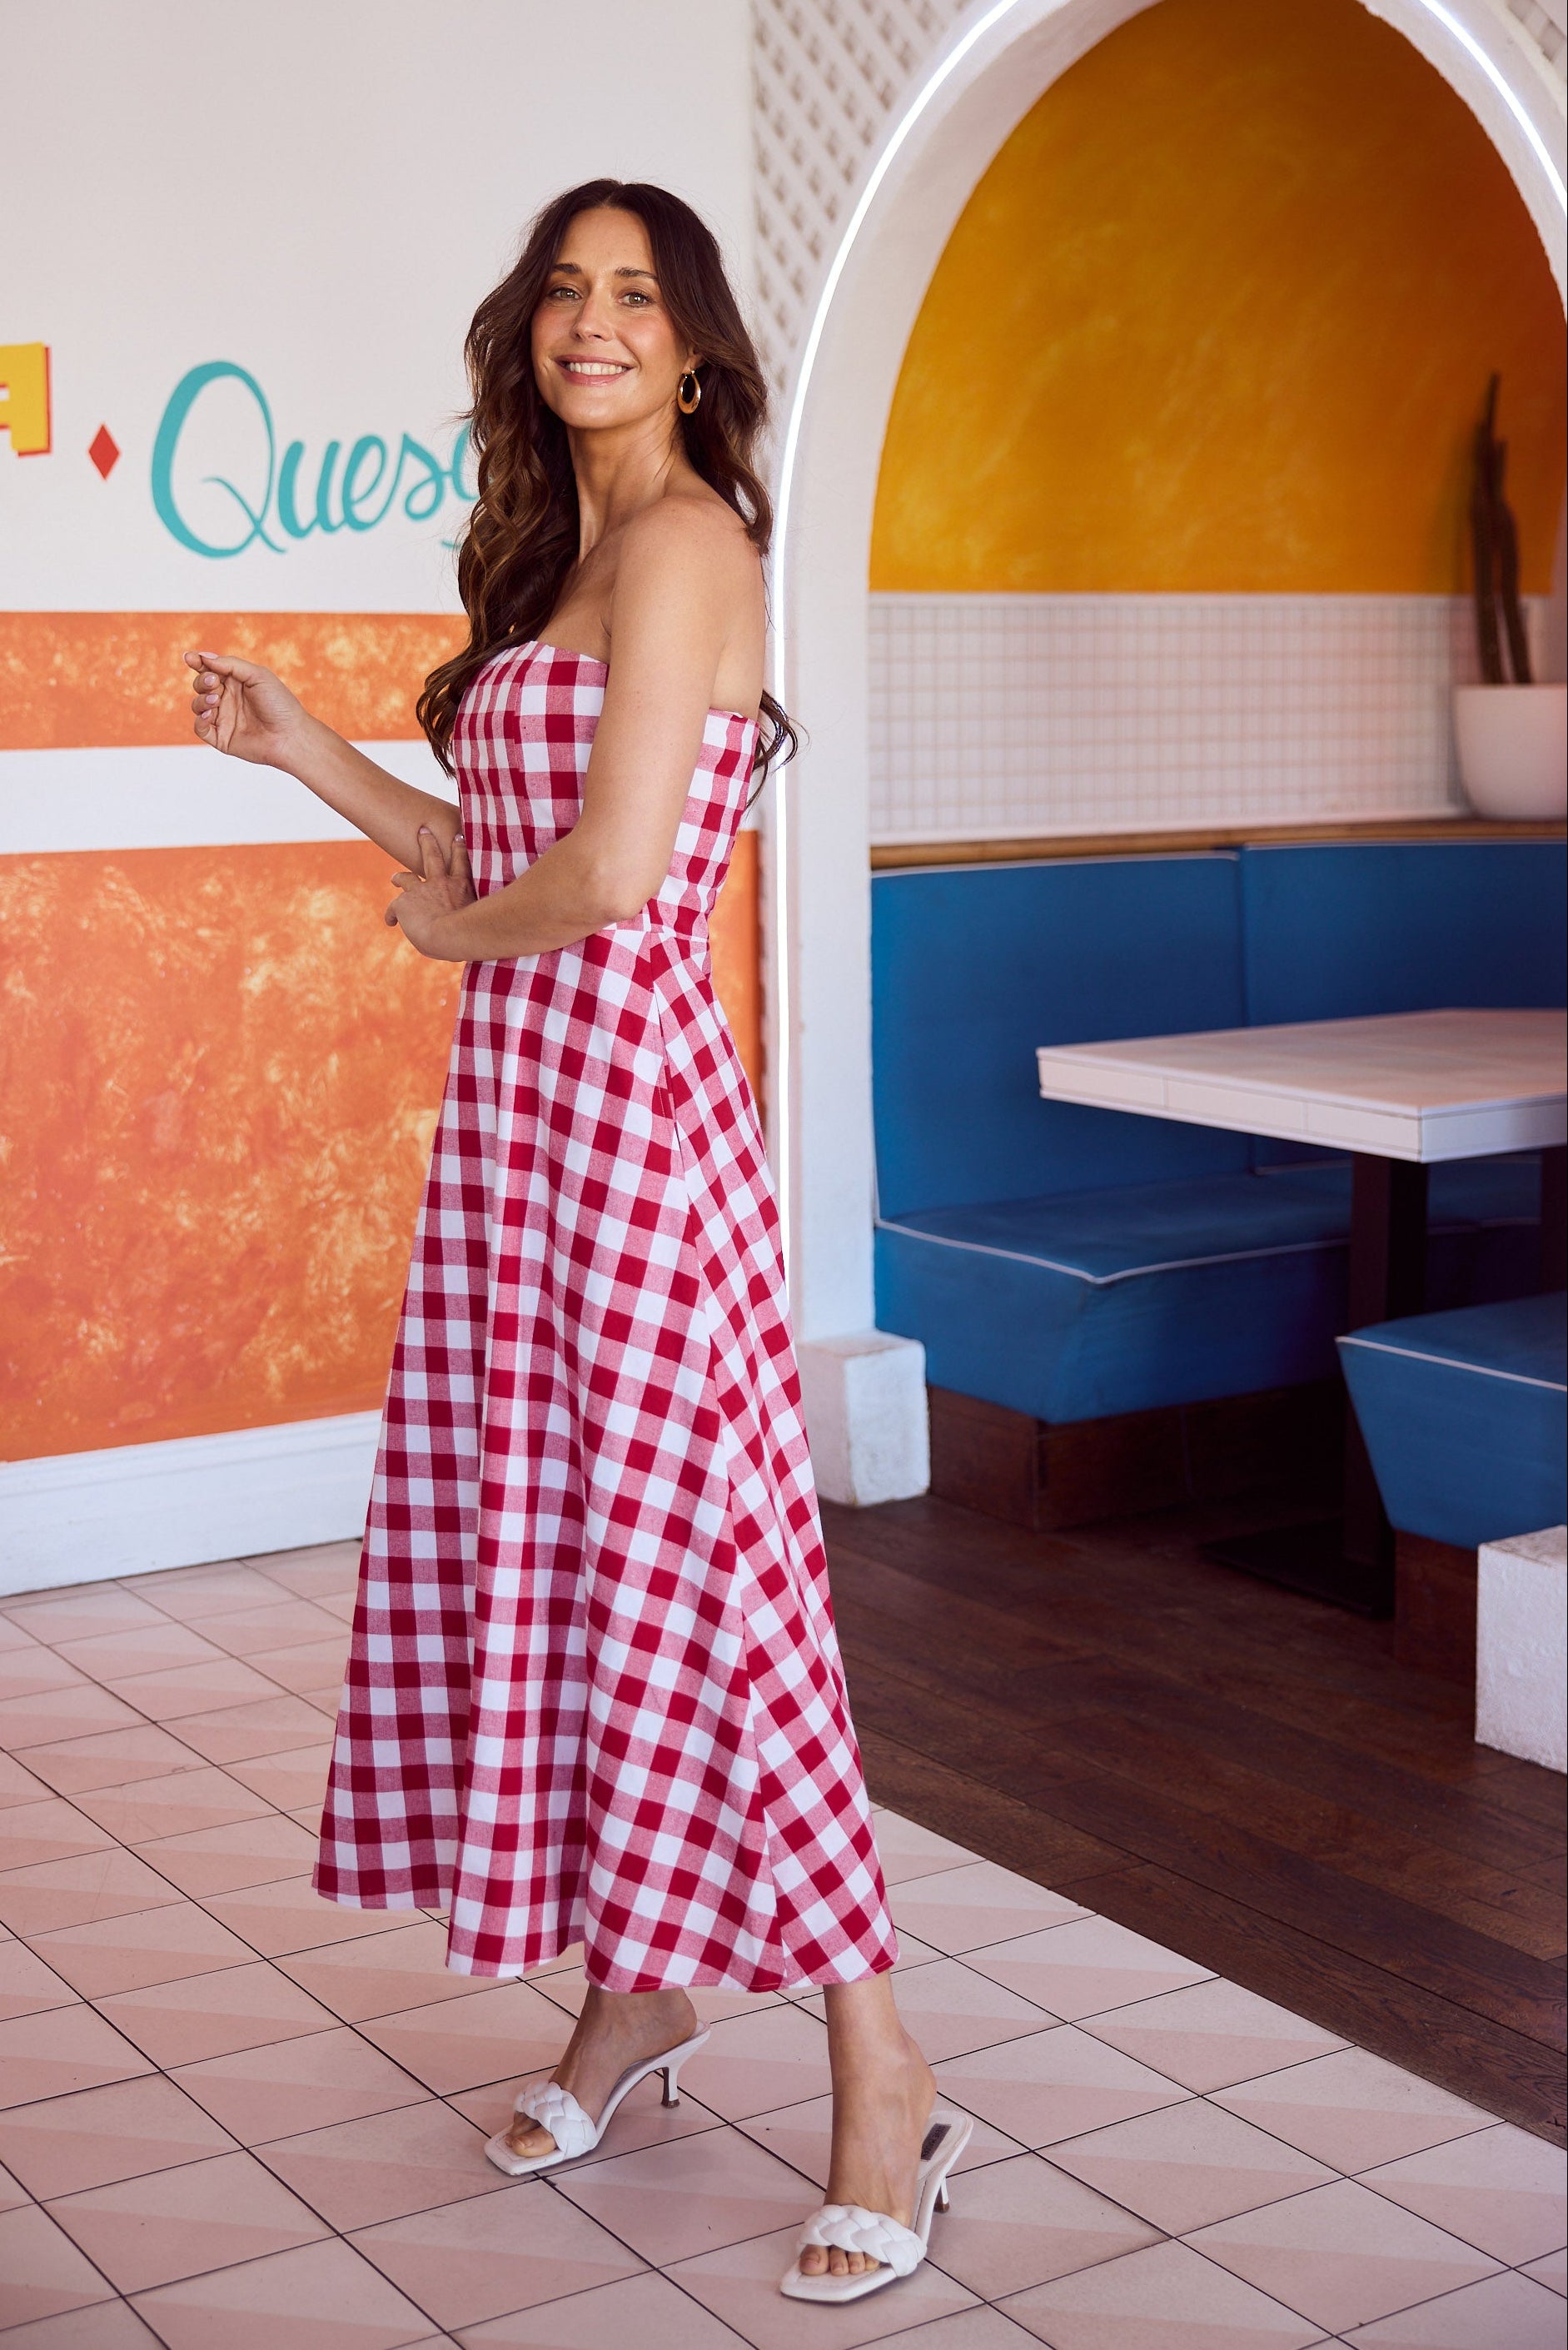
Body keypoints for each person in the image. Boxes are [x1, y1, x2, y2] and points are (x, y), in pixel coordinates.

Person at [182, 179, 968, 2303]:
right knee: (574, 1559)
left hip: (631, 1135)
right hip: (529, 1141)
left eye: (636, 296)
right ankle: (640, 1995)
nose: (593, 323)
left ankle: (883, 2072)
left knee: (718, 1589)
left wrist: (448, 931)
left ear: (695, 343)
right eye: (565, 293)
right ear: (528, 335)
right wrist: (304, 753)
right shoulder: (569, 557)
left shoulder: (697, 541)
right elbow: (491, 839)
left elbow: (612, 876)